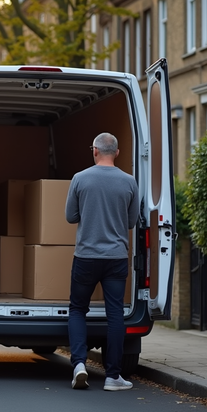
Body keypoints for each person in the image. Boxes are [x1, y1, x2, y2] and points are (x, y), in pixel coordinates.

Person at [64, 132, 139, 391]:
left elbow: (70, 216)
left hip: (85, 256)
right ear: (116, 152)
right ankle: (113, 377)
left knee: (77, 310)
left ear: (94, 150)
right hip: (116, 258)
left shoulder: (80, 179)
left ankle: (78, 365)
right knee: (115, 314)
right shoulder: (130, 182)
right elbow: (130, 222)